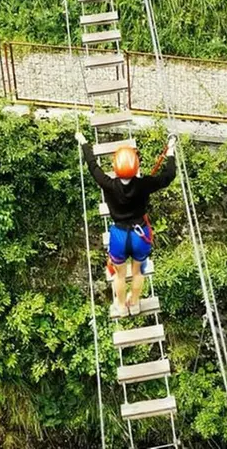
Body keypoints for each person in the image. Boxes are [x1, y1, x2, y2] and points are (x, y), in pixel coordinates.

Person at [77, 132, 177, 317]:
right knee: (138, 272)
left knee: (120, 275)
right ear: (136, 166)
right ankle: (136, 303)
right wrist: (170, 150)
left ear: (115, 167)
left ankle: (122, 307)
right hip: (140, 234)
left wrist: (84, 143)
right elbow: (169, 175)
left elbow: (93, 166)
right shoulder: (144, 184)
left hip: (119, 235)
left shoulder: (107, 184)